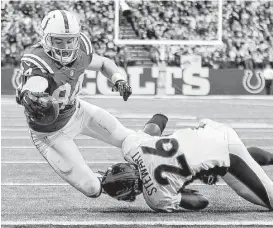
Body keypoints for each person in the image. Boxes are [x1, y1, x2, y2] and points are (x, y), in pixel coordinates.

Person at [15, 10, 134, 198]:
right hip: (50, 134)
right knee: (92, 188)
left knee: (130, 140)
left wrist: (118, 79)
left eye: (70, 40)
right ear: (46, 40)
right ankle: (114, 180)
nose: (66, 46)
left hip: (78, 112)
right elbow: (35, 83)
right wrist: (30, 94)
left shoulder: (82, 50)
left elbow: (103, 63)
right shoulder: (39, 60)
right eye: (58, 41)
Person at [101, 114, 273, 212]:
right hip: (210, 130)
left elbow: (201, 201)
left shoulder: (156, 198)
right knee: (236, 155)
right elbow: (158, 120)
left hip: (226, 155)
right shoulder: (131, 147)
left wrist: (179, 189)